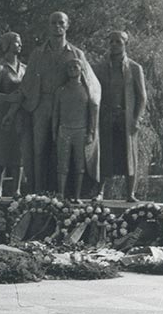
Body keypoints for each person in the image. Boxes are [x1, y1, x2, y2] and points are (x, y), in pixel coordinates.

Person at [21, 11, 101, 192]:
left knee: (67, 151)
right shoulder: (37, 54)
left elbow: (90, 84)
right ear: (48, 26)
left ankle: (67, 193)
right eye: (53, 23)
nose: (57, 26)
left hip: (67, 108)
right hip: (42, 104)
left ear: (67, 25)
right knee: (39, 149)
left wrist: (88, 111)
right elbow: (27, 82)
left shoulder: (77, 54)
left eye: (61, 23)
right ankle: (38, 192)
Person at [93, 31, 147, 202]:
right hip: (106, 117)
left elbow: (142, 97)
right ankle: (99, 192)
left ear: (126, 44)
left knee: (129, 156)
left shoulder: (134, 68)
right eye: (111, 42)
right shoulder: (100, 67)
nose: (114, 45)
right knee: (104, 154)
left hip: (126, 117)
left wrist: (137, 119)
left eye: (118, 42)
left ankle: (130, 194)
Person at [0, 32, 30, 197]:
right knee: (2, 150)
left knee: (18, 151)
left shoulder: (25, 69)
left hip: (20, 114)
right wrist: (8, 98)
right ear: (7, 45)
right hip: (2, 114)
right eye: (17, 42)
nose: (20, 45)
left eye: (20, 43)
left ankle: (16, 189)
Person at [52, 59, 97, 200]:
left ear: (81, 69)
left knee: (79, 166)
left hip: (81, 131)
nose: (72, 69)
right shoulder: (61, 90)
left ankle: (77, 197)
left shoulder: (87, 90)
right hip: (64, 131)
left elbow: (92, 113)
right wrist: (54, 131)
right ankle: (61, 195)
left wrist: (91, 132)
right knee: (62, 165)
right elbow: (55, 113)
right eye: (69, 67)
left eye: (75, 67)